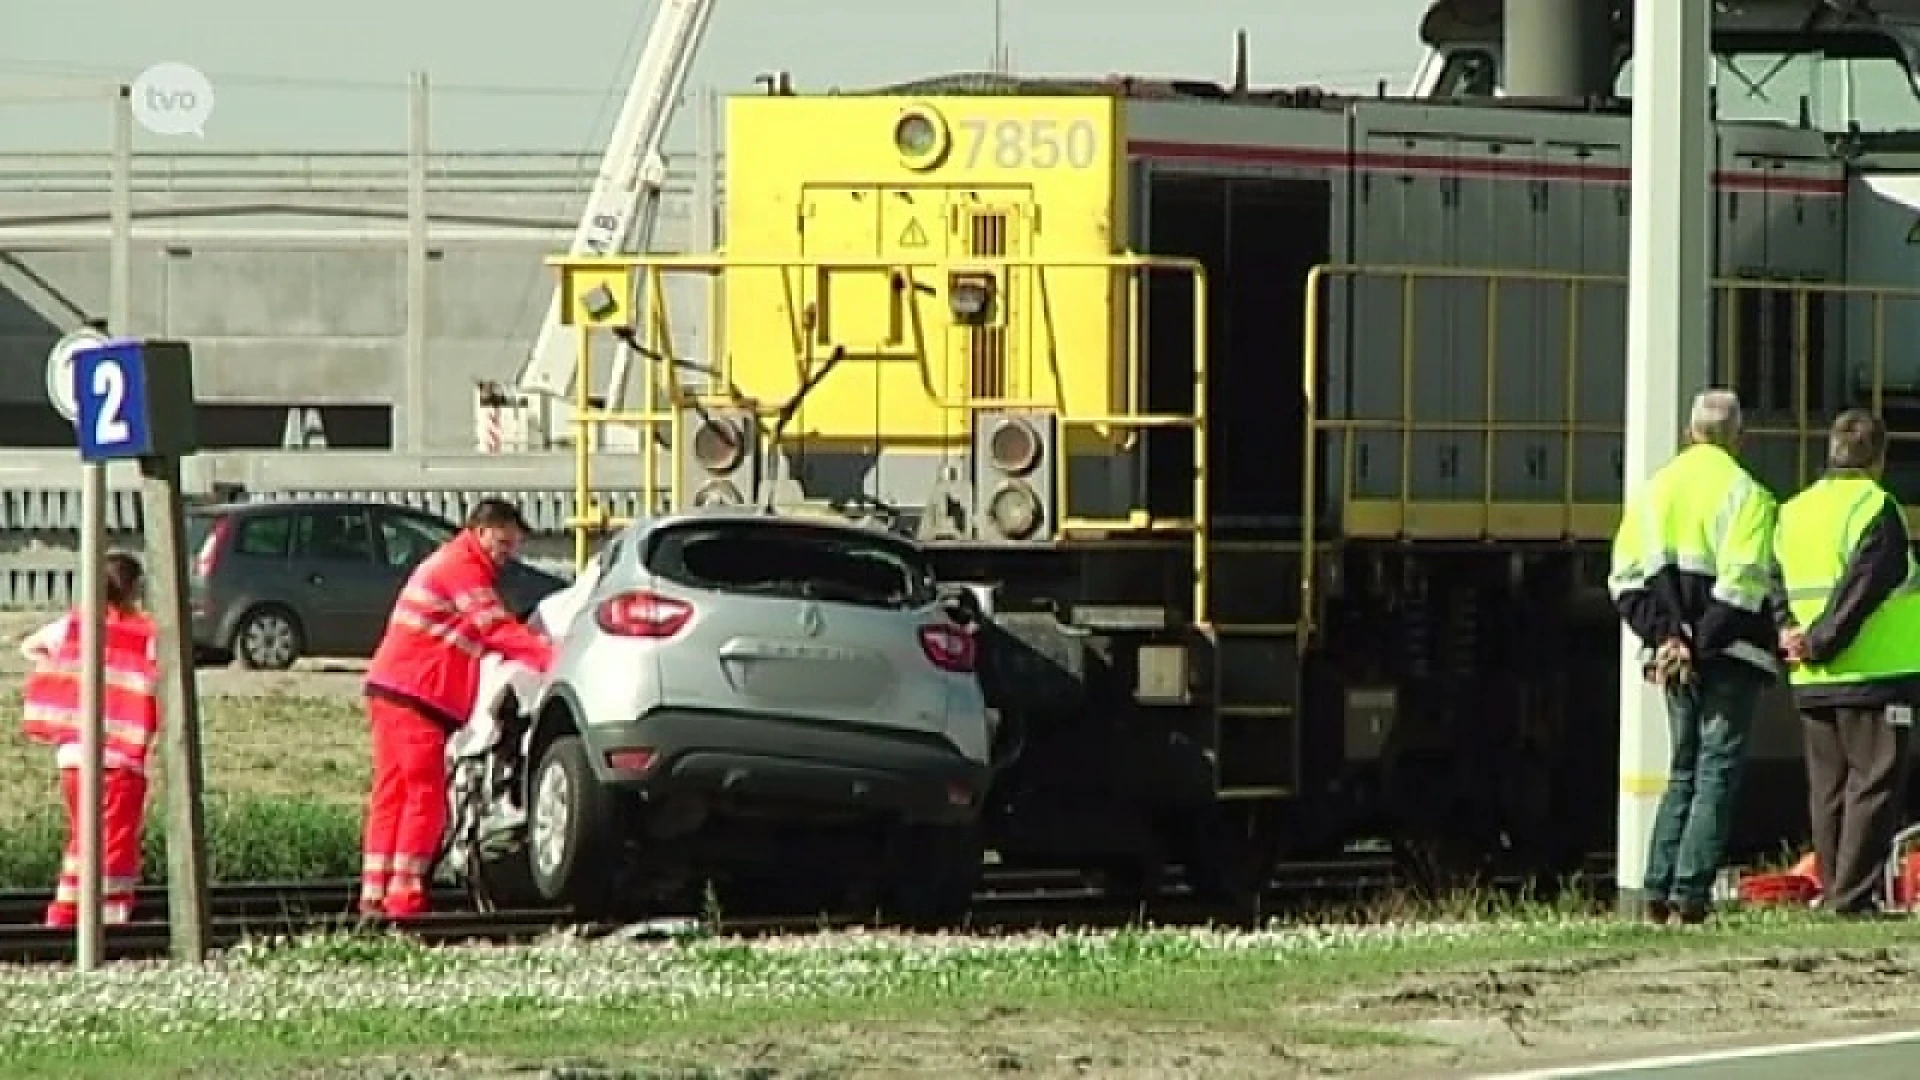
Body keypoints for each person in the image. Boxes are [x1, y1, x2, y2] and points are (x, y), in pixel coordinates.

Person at [1608, 389, 1782, 926]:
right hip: (1729, 653)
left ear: (1689, 434)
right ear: (1739, 439)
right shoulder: (1749, 496)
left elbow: (1624, 580)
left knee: (1681, 767)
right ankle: (1691, 893)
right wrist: (1701, 646)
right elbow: (1743, 586)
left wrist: (1669, 641)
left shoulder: (1653, 492)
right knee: (1715, 771)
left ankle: (1654, 890)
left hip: (1673, 654)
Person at [359, 498, 555, 918]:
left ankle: (375, 892)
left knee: (391, 793)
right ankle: (405, 898)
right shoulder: (462, 568)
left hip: (392, 687)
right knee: (424, 795)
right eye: (503, 543)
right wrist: (550, 660)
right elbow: (493, 627)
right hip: (418, 694)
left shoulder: (447, 564)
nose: (507, 554)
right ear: (481, 532)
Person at [1771, 408, 1920, 917]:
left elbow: (1775, 580)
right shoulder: (1877, 508)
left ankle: (1836, 889)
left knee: (1829, 789)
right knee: (1874, 783)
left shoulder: (1793, 510)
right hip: (1874, 675)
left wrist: (1790, 633)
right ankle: (1852, 898)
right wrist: (1820, 641)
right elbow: (1864, 589)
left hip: (1812, 680)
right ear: (1878, 458)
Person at [19, 553, 159, 928]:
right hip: (118, 757)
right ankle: (100, 919)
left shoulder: (73, 625)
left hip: (73, 756)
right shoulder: (144, 634)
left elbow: (31, 646)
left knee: (84, 834)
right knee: (113, 842)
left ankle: (70, 913)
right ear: (135, 589)